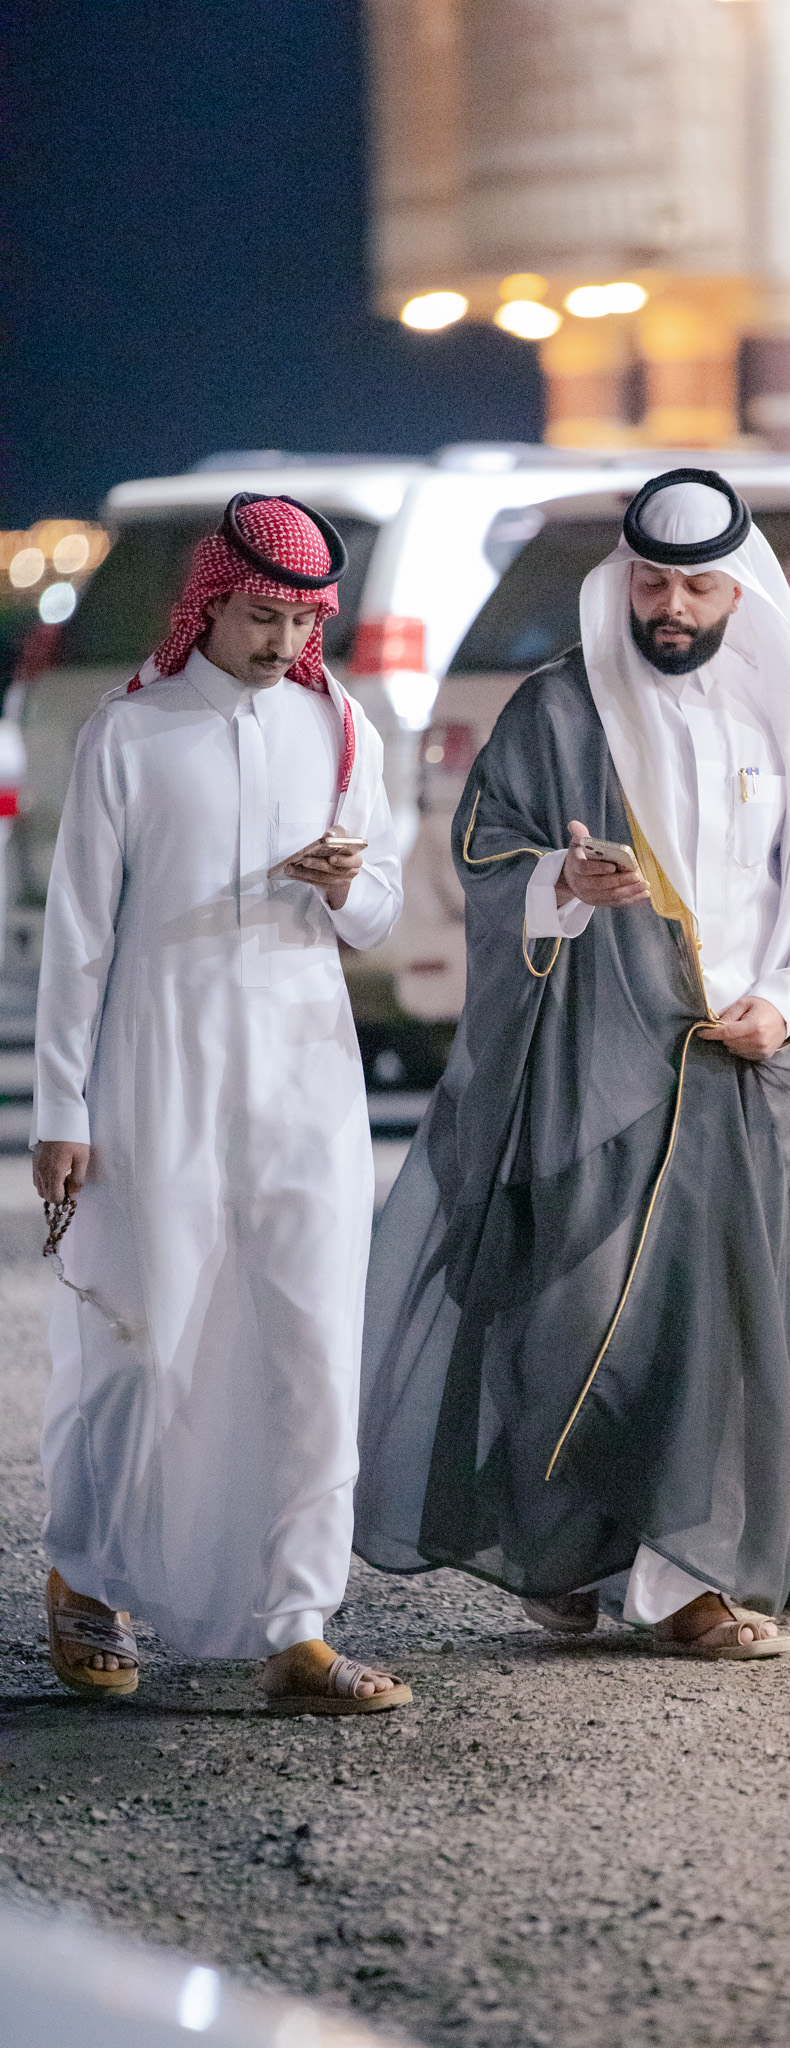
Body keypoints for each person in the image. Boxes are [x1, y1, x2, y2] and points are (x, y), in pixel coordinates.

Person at [354, 470, 790, 1660]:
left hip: (742, 1069)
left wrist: (786, 1000)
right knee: (569, 1312)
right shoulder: (560, 709)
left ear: (739, 592)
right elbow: (487, 852)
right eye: (651, 582)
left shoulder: (788, 716)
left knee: (711, 1328)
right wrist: (565, 883)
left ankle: (683, 1581)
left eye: (696, 586)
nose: (671, 607)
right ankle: (567, 1549)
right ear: (623, 581)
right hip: (593, 1062)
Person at [33, 494, 410, 1710]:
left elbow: (383, 910)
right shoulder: (130, 732)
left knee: (312, 1343)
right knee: (144, 1338)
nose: (281, 642)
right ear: (208, 602)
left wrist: (348, 886)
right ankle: (88, 1577)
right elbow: (78, 939)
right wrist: (61, 1108)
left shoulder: (341, 726)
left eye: (301, 621)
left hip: (306, 1074)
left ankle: (297, 1624)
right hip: (158, 1067)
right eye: (260, 616)